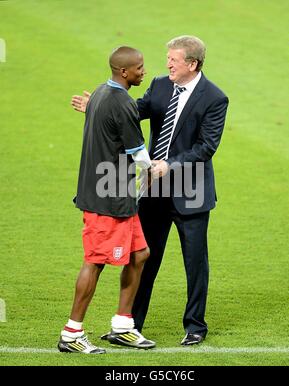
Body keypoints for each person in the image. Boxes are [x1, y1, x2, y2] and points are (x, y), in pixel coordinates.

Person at [71, 35, 229, 346]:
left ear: (192, 64)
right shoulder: (160, 85)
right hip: (153, 189)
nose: (167, 63)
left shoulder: (214, 98)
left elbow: (206, 147)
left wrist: (169, 164)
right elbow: (133, 110)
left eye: (174, 59)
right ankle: (131, 324)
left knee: (195, 262)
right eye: (168, 57)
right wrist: (99, 107)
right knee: (142, 257)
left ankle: (195, 326)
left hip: (190, 190)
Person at [58, 46, 156, 354]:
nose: (144, 71)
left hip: (114, 195)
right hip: (108, 200)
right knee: (96, 262)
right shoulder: (123, 103)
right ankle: (72, 333)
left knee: (140, 254)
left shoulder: (101, 93)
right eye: (139, 68)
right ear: (124, 72)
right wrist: (148, 184)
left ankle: (122, 326)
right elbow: (141, 158)